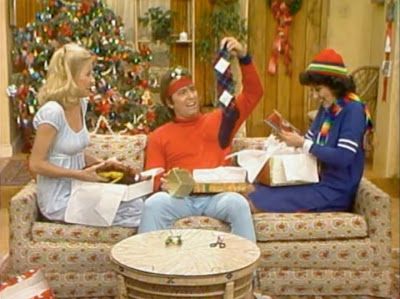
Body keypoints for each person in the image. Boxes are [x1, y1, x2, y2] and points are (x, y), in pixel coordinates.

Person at [138, 37, 264, 243]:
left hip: (218, 198)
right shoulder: (159, 136)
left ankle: (246, 273)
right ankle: (148, 271)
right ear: (170, 103)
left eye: (192, 90)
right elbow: (155, 178)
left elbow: (254, 93)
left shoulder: (222, 119)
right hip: (181, 199)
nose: (191, 97)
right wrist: (170, 181)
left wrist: (243, 57)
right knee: (154, 205)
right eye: (182, 93)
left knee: (238, 204)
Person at [29, 43, 143, 227]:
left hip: (79, 189)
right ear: (69, 78)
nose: (92, 80)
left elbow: (72, 151)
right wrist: (80, 175)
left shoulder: (80, 104)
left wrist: (102, 164)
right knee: (136, 211)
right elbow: (36, 164)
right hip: (58, 200)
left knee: (137, 201)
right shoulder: (52, 112)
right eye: (87, 74)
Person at [248, 48, 373, 213]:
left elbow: (343, 157)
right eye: (312, 90)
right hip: (313, 180)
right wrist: (289, 138)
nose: (315, 96)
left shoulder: (353, 110)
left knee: (255, 201)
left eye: (318, 89)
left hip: (333, 191)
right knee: (252, 189)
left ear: (335, 84)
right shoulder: (327, 107)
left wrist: (303, 143)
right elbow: (309, 140)